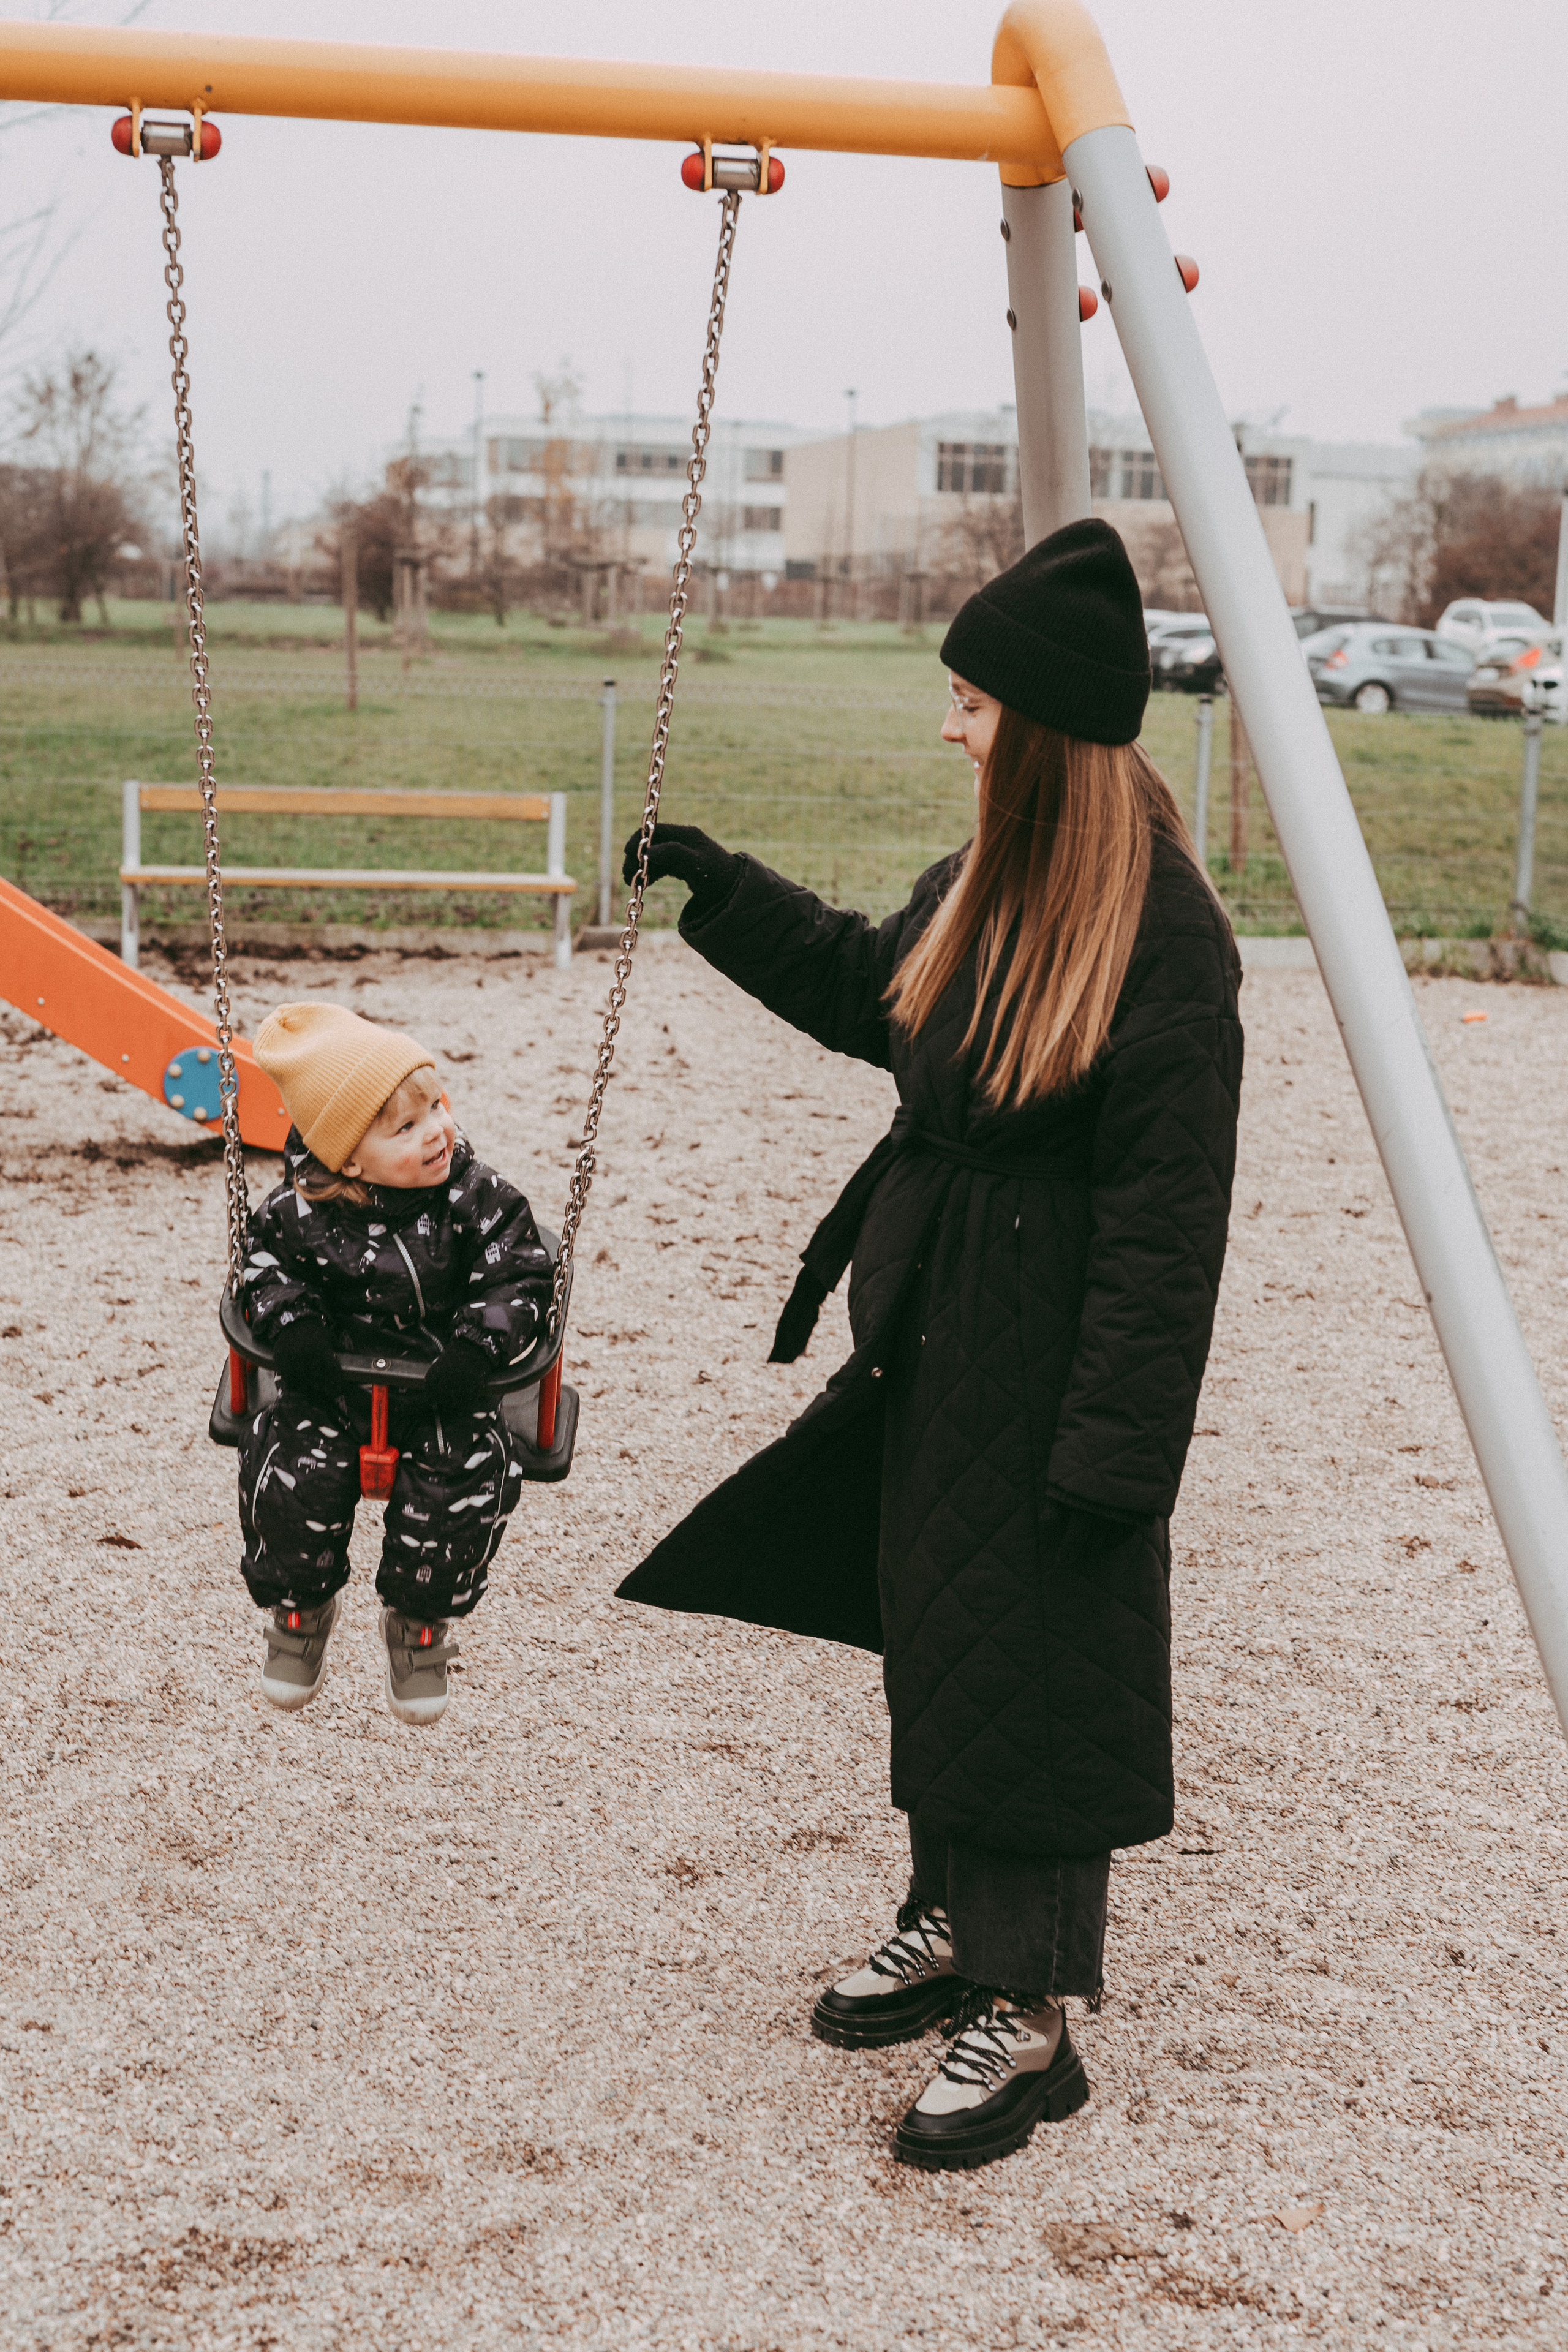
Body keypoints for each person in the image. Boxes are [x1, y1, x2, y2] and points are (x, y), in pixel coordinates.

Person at [616, 518, 1244, 2173]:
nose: (948, 727)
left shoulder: (1163, 936)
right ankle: (954, 1924)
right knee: (951, 1634)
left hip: (1051, 1356)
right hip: (934, 1325)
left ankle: (1031, 2014)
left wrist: (1118, 1448)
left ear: (1038, 728)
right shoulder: (981, 884)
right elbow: (861, 986)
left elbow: (1170, 1222)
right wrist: (723, 890)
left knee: (1039, 1659)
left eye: (969, 703)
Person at [239, 1003, 552, 1725]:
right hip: (333, 1381)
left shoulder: (477, 1197)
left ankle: (418, 1626)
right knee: (291, 1468)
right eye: (405, 1128)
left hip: (444, 1385)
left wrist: (478, 1347)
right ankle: (300, 1610)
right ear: (348, 1156)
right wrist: (295, 1330)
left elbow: (524, 1273)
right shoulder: (297, 1210)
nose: (437, 1132)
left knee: (466, 1472)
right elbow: (262, 1270)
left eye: (435, 1108)